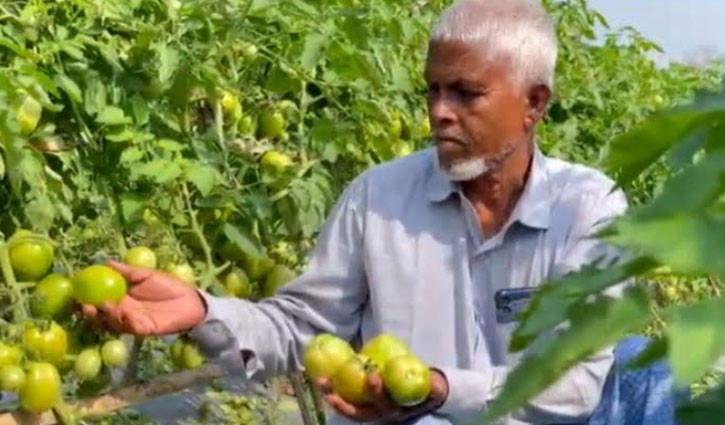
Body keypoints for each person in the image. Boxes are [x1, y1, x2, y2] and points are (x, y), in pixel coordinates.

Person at [83, 0, 634, 424]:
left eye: (466, 94)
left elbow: (573, 382)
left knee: (642, 368)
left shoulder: (585, 209)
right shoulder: (378, 198)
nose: (440, 113)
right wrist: (202, 311)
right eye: (433, 91)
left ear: (534, 104)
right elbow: (304, 329)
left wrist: (435, 390)